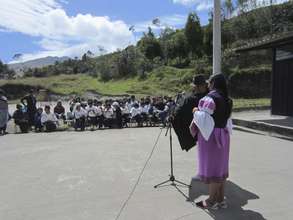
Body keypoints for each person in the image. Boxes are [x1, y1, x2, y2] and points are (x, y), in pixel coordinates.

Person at [190, 74, 233, 210]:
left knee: (213, 169)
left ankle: (210, 201)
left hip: (211, 137)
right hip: (223, 135)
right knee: (220, 168)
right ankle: (220, 200)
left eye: (209, 82)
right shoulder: (227, 99)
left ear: (213, 83)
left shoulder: (209, 98)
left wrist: (195, 110)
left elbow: (203, 118)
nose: (208, 84)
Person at [172, 74, 209, 151]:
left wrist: (172, 117)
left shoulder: (190, 99)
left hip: (204, 134)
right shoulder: (212, 97)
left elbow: (178, 114)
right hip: (212, 133)